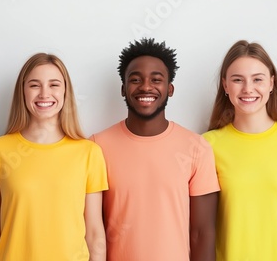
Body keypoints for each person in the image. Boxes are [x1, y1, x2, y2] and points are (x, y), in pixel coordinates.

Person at [91, 38, 220, 261]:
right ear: (123, 89)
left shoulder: (197, 147)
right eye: (135, 79)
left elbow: (202, 233)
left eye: (156, 79)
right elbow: (92, 229)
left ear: (170, 89)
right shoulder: (96, 146)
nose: (146, 86)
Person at [0, 53, 108, 261]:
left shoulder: (89, 153)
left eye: (54, 84)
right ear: (23, 91)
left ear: (65, 91)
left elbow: (94, 233)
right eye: (34, 85)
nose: (44, 94)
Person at [203, 40, 277, 260]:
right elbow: (198, 228)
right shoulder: (206, 146)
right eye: (237, 80)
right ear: (225, 85)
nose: (248, 89)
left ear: (271, 83)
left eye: (257, 79)